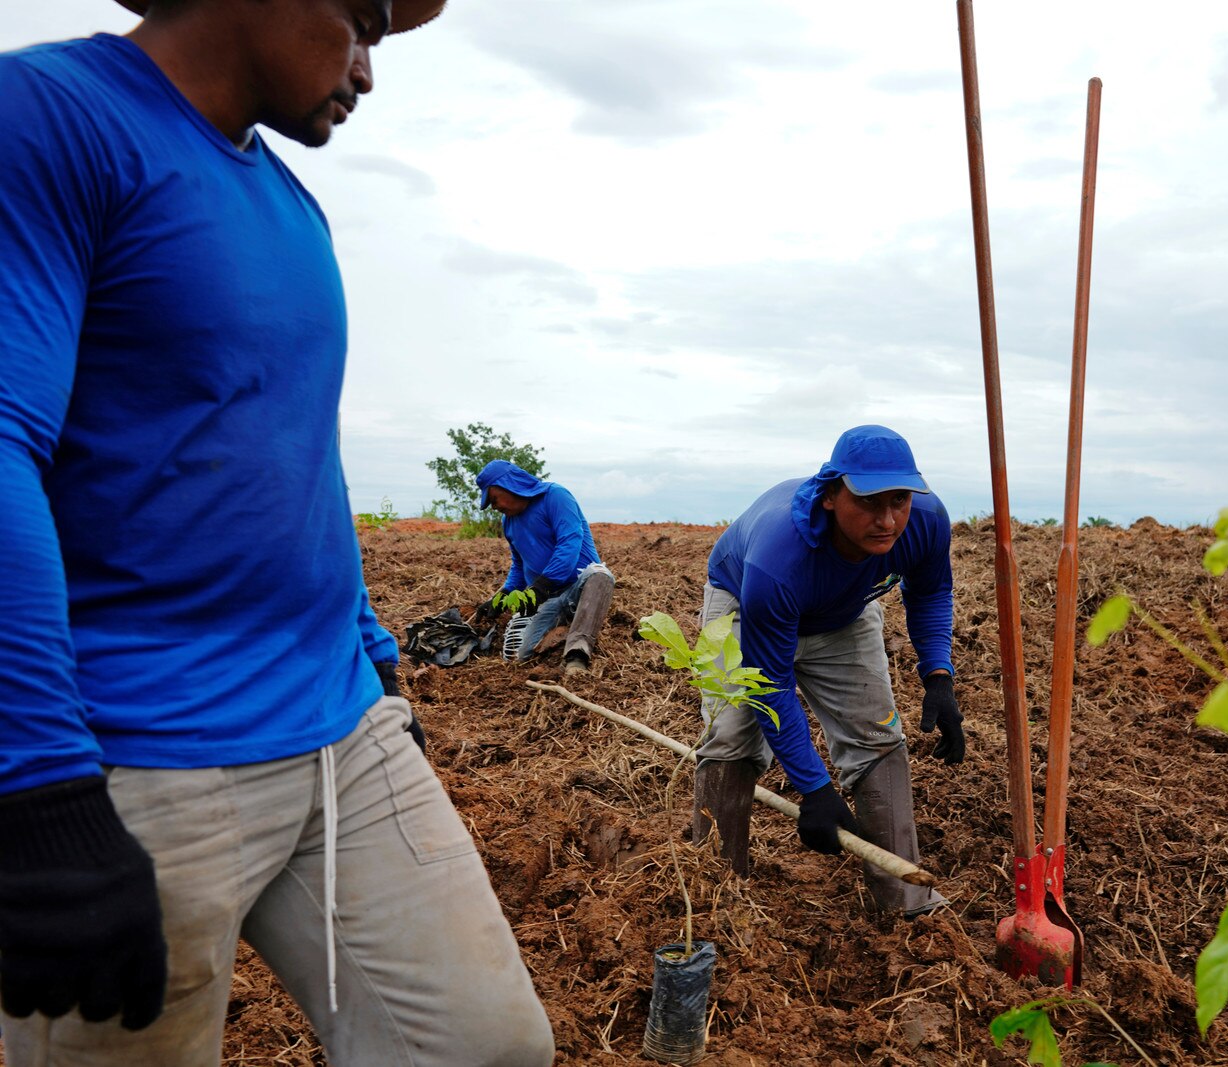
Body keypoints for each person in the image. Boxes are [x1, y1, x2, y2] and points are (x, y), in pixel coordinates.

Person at [0, 2, 555, 1064]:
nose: (367, 71)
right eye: (363, 23)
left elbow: (296, 456)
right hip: (136, 757)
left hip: (343, 730)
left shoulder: (295, 210)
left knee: (487, 1044)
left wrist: (375, 651)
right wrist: (35, 783)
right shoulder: (50, 119)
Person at [692, 425, 965, 918]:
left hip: (845, 609)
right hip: (746, 602)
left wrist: (938, 675)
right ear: (832, 495)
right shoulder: (780, 558)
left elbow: (929, 592)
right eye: (869, 502)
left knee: (877, 735)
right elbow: (772, 686)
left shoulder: (925, 521)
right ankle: (716, 891)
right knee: (732, 736)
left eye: (898, 500)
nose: (887, 520)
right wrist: (815, 791)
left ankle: (907, 904)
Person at [474, 459, 616, 675]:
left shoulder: (556, 496)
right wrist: (503, 595)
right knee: (522, 654)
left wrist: (542, 586)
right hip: (548, 598)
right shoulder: (508, 522)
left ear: (509, 485)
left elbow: (569, 543)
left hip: (578, 587)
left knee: (600, 575)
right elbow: (519, 564)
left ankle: (577, 655)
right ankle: (564, 625)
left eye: (494, 499)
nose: (494, 507)